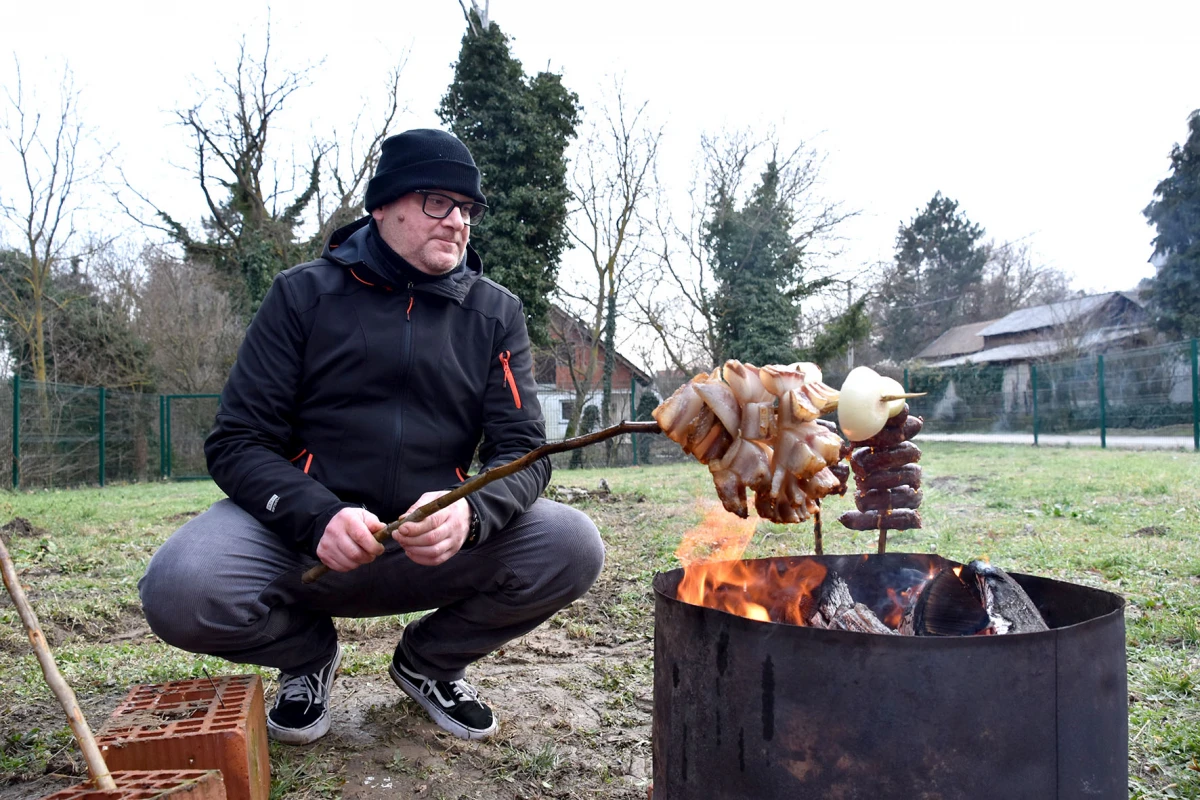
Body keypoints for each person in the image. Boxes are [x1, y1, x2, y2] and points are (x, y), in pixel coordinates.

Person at [139, 129, 605, 745]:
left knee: (572, 544)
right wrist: (317, 516)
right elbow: (237, 441)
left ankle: (430, 663)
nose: (457, 221)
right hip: (304, 545)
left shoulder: (494, 314)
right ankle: (305, 658)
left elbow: (524, 450)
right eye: (437, 202)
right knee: (181, 586)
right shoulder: (302, 296)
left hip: (431, 543)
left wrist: (468, 512)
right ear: (383, 205)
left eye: (466, 208)